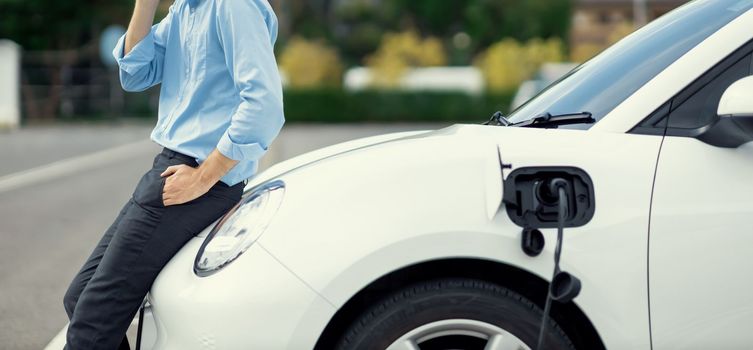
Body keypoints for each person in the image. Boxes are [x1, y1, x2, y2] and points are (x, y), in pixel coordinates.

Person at [61, 0, 284, 348]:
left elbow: (264, 105)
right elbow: (134, 73)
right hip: (169, 169)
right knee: (79, 300)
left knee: (92, 321)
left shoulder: (232, 5)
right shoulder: (185, 9)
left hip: (197, 177)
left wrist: (203, 177)